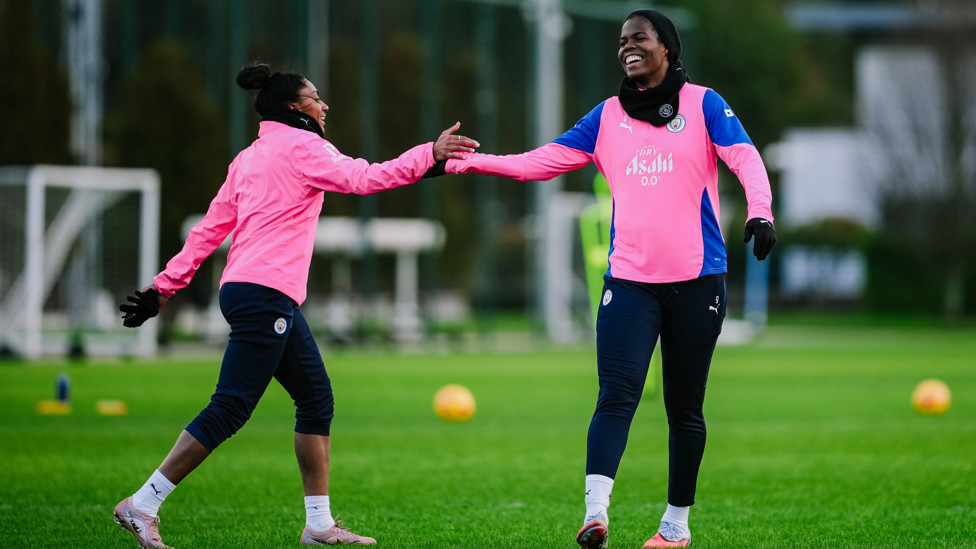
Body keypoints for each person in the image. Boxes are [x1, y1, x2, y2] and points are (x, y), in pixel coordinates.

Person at [444, 9, 775, 549]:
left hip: (698, 282)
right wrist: (468, 164)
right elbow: (540, 162)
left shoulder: (705, 104)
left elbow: (746, 158)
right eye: (622, 41)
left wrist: (761, 211)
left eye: (639, 38)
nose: (627, 47)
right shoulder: (605, 118)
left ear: (666, 47)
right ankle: (595, 513)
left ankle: (675, 527)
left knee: (684, 407)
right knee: (615, 395)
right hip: (629, 283)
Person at [112, 63, 479, 548]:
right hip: (266, 294)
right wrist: (428, 155)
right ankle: (143, 504)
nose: (324, 105)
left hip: (246, 290)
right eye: (315, 98)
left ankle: (319, 525)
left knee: (315, 399)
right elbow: (366, 178)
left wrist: (164, 288)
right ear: (293, 107)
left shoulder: (249, 157)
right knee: (231, 407)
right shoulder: (305, 147)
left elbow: (209, 231)